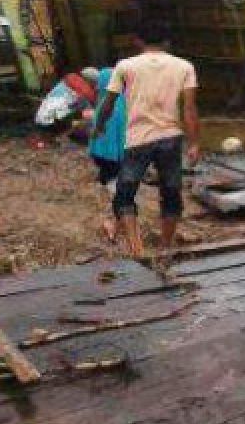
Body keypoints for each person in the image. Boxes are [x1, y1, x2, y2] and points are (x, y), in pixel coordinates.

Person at [94, 17, 199, 258]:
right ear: (167, 41)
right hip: (171, 138)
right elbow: (190, 109)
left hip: (138, 139)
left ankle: (137, 249)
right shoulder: (184, 66)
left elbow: (108, 103)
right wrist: (194, 143)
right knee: (171, 192)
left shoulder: (125, 66)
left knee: (125, 194)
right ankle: (165, 247)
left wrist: (99, 126)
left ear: (137, 40)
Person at [89, 65, 128, 242]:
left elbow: (99, 138)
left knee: (117, 190)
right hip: (127, 155)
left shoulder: (105, 106)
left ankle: (119, 226)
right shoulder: (126, 102)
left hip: (110, 158)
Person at [34, 67, 100, 131]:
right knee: (90, 118)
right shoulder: (84, 90)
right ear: (90, 81)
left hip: (40, 119)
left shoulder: (67, 81)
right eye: (95, 83)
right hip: (50, 123)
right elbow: (94, 114)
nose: (95, 86)